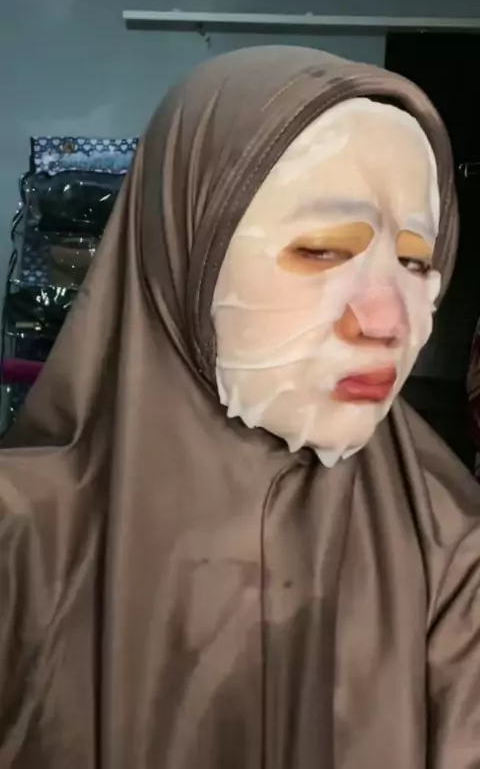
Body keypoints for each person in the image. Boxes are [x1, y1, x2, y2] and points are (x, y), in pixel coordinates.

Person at [0, 45, 479, 769]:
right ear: (182, 250)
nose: (388, 319)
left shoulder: (452, 552)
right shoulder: (22, 543)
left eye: (417, 261)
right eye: (321, 250)